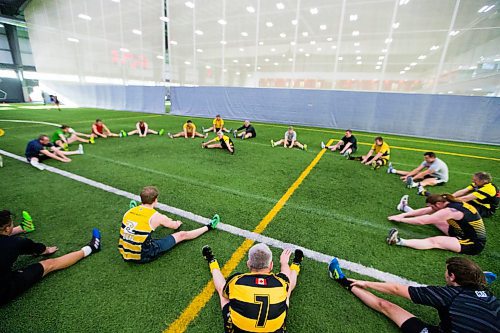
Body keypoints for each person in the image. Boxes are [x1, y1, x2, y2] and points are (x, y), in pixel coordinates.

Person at [328, 256, 500, 333]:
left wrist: (365, 282)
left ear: (452, 277)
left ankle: (341, 279)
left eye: (447, 272)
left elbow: (396, 290)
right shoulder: (488, 295)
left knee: (387, 306)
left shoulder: (446, 295)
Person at [0, 209, 101, 306]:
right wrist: (46, 250)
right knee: (49, 264)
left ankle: (24, 227)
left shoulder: (14, 242)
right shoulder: (16, 243)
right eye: (12, 224)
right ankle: (92, 247)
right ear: (8, 228)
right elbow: (39, 249)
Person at [201, 243, 304, 333]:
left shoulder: (236, 281)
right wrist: (284, 262)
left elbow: (225, 293)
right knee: (287, 290)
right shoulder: (281, 282)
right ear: (271, 265)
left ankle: (212, 262)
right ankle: (296, 264)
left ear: (248, 264)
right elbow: (285, 273)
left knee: (223, 294)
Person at [118, 186, 219, 263]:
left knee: (141, 231)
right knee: (181, 235)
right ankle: (210, 226)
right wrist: (177, 223)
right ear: (155, 200)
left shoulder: (128, 212)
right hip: (142, 255)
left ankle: (139, 214)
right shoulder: (157, 216)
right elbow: (174, 226)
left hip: (124, 252)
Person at [387, 193, 486, 255]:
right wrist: (401, 215)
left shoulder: (450, 210)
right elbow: (426, 211)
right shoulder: (448, 202)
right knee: (432, 218)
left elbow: (422, 221)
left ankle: (398, 241)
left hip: (472, 243)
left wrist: (400, 220)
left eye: (433, 207)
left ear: (438, 204)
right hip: (459, 230)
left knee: (435, 241)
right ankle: (404, 208)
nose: (431, 209)